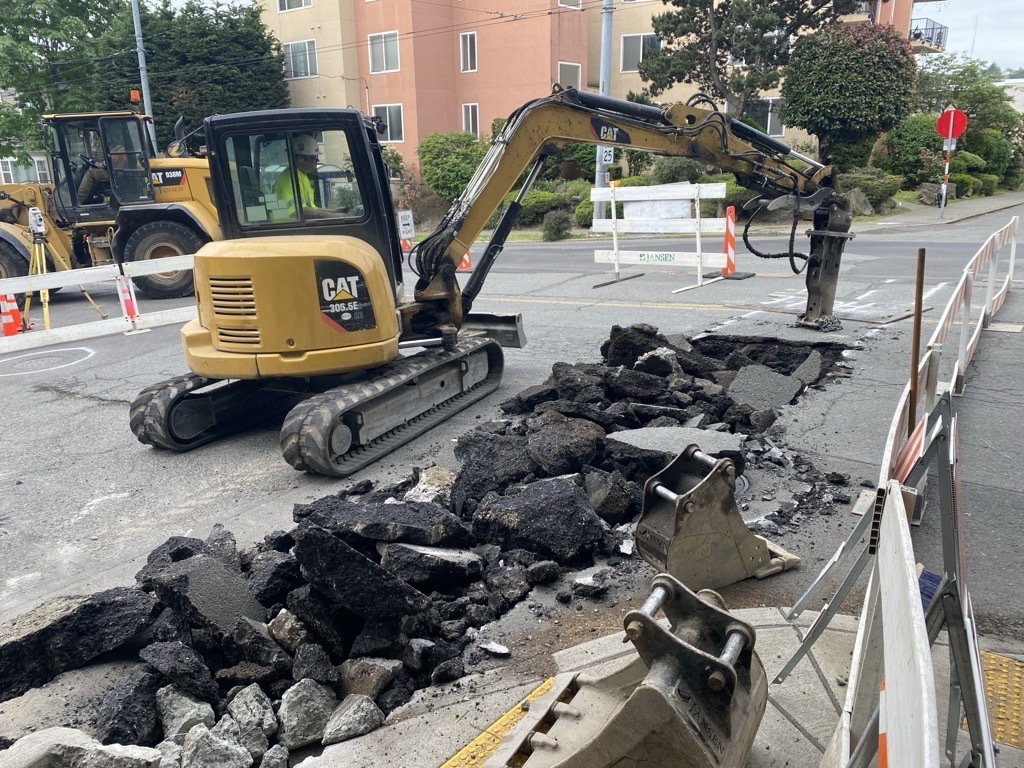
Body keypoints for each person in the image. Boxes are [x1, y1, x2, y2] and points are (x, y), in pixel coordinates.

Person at [273, 134, 320, 218]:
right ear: (301, 158)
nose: (317, 160)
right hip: (285, 228)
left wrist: (335, 212)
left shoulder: (302, 176)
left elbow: (312, 209)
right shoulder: (291, 179)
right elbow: (296, 211)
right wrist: (329, 215)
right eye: (314, 157)